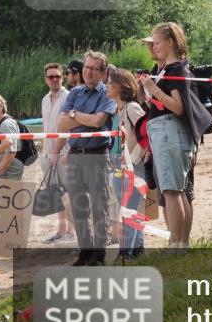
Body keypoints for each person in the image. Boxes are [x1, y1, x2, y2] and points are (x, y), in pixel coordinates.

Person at [137, 24, 195, 250]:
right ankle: (181, 243)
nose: (154, 46)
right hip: (163, 131)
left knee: (173, 191)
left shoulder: (176, 70)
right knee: (175, 190)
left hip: (171, 131)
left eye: (157, 42)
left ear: (170, 42)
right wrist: (149, 94)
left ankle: (176, 243)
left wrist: (154, 89)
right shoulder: (164, 70)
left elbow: (178, 107)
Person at [57, 51, 117, 266]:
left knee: (99, 205)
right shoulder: (75, 93)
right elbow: (62, 124)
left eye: (93, 68)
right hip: (75, 156)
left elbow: (98, 122)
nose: (88, 72)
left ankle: (98, 252)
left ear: (102, 73)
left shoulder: (107, 93)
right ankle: (85, 250)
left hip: (96, 155)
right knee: (78, 205)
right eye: (86, 67)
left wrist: (74, 115)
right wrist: (82, 118)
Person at [106, 67, 147, 259]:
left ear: (121, 86)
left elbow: (147, 136)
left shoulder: (132, 108)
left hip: (132, 168)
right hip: (118, 168)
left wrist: (134, 160)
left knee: (128, 211)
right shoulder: (117, 109)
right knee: (129, 209)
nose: (106, 85)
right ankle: (138, 248)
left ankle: (126, 253)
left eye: (110, 83)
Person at [39, 62, 75, 244]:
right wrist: (47, 151)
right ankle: (61, 230)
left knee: (68, 193)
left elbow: (67, 127)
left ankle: (71, 232)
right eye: (51, 77)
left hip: (64, 152)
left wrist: (58, 151)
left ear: (62, 77)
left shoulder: (69, 97)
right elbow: (47, 126)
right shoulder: (45, 99)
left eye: (58, 76)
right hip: (47, 152)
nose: (55, 80)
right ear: (46, 80)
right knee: (56, 193)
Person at [0, 94, 23, 181]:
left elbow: (11, 152)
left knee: (6, 194)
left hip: (10, 170)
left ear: (0, 106)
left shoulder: (6, 124)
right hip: (4, 167)